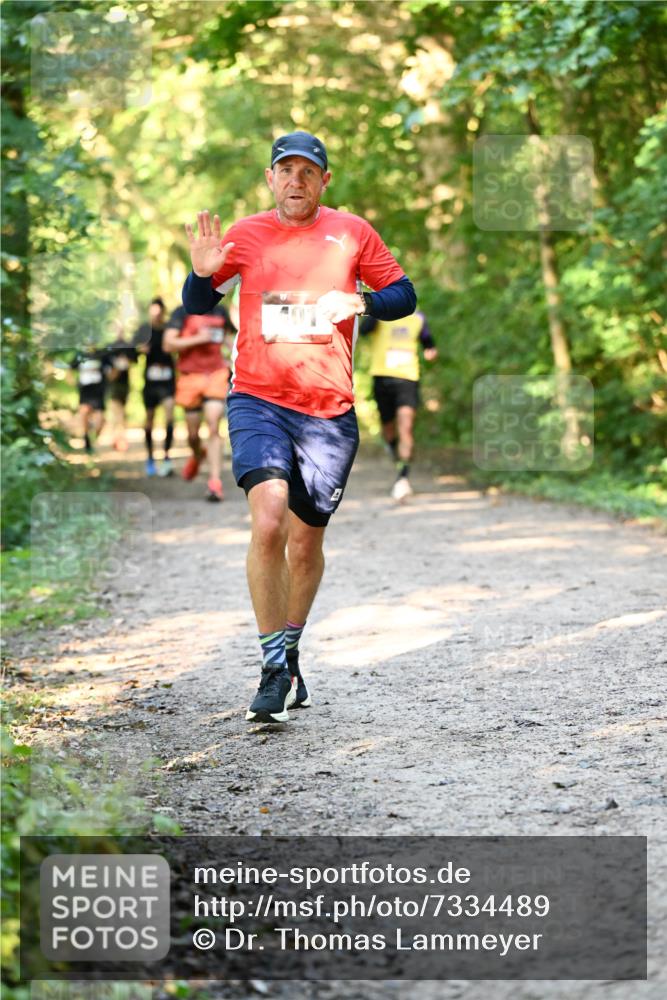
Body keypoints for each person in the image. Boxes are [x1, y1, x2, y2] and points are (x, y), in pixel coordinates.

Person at [182, 130, 416, 723]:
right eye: (285, 170)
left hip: (329, 412)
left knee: (306, 541)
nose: (295, 180)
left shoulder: (352, 232)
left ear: (323, 181)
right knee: (268, 521)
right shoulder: (244, 234)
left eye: (307, 171)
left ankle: (289, 648)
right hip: (257, 399)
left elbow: (404, 295)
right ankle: (270, 666)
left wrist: (360, 303)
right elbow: (198, 306)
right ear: (270, 179)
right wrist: (202, 275)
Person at [361, 310, 437, 501]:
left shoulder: (418, 318)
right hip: (381, 378)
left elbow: (428, 342)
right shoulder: (380, 314)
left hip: (408, 379)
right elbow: (364, 331)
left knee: (406, 427)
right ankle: (398, 457)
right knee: (388, 430)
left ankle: (403, 478)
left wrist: (430, 351)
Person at [162, 303, 236, 501]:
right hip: (190, 376)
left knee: (213, 426)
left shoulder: (220, 311)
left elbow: (230, 340)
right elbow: (168, 344)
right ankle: (197, 454)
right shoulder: (181, 312)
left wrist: (235, 357)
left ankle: (214, 483)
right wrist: (198, 339)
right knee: (193, 435)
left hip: (216, 374)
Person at [133, 298, 176, 477]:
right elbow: (132, 350)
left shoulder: (169, 328)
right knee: (149, 419)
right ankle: (150, 457)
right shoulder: (144, 330)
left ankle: (166, 457)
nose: (156, 314)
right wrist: (139, 350)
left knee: (169, 416)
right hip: (150, 382)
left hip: (167, 380)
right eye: (153, 311)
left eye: (159, 311)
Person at [70, 343, 111, 454]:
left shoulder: (102, 355)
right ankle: (87, 441)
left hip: (99, 392)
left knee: (100, 420)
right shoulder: (80, 355)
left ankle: (93, 437)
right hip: (85, 392)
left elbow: (111, 370)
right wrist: (73, 382)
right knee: (84, 414)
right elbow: (70, 368)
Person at [105, 326, 138, 451]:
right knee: (117, 411)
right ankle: (118, 439)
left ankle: (119, 438)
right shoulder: (109, 347)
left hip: (125, 384)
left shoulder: (128, 346)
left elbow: (133, 360)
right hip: (114, 384)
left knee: (121, 412)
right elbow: (108, 372)